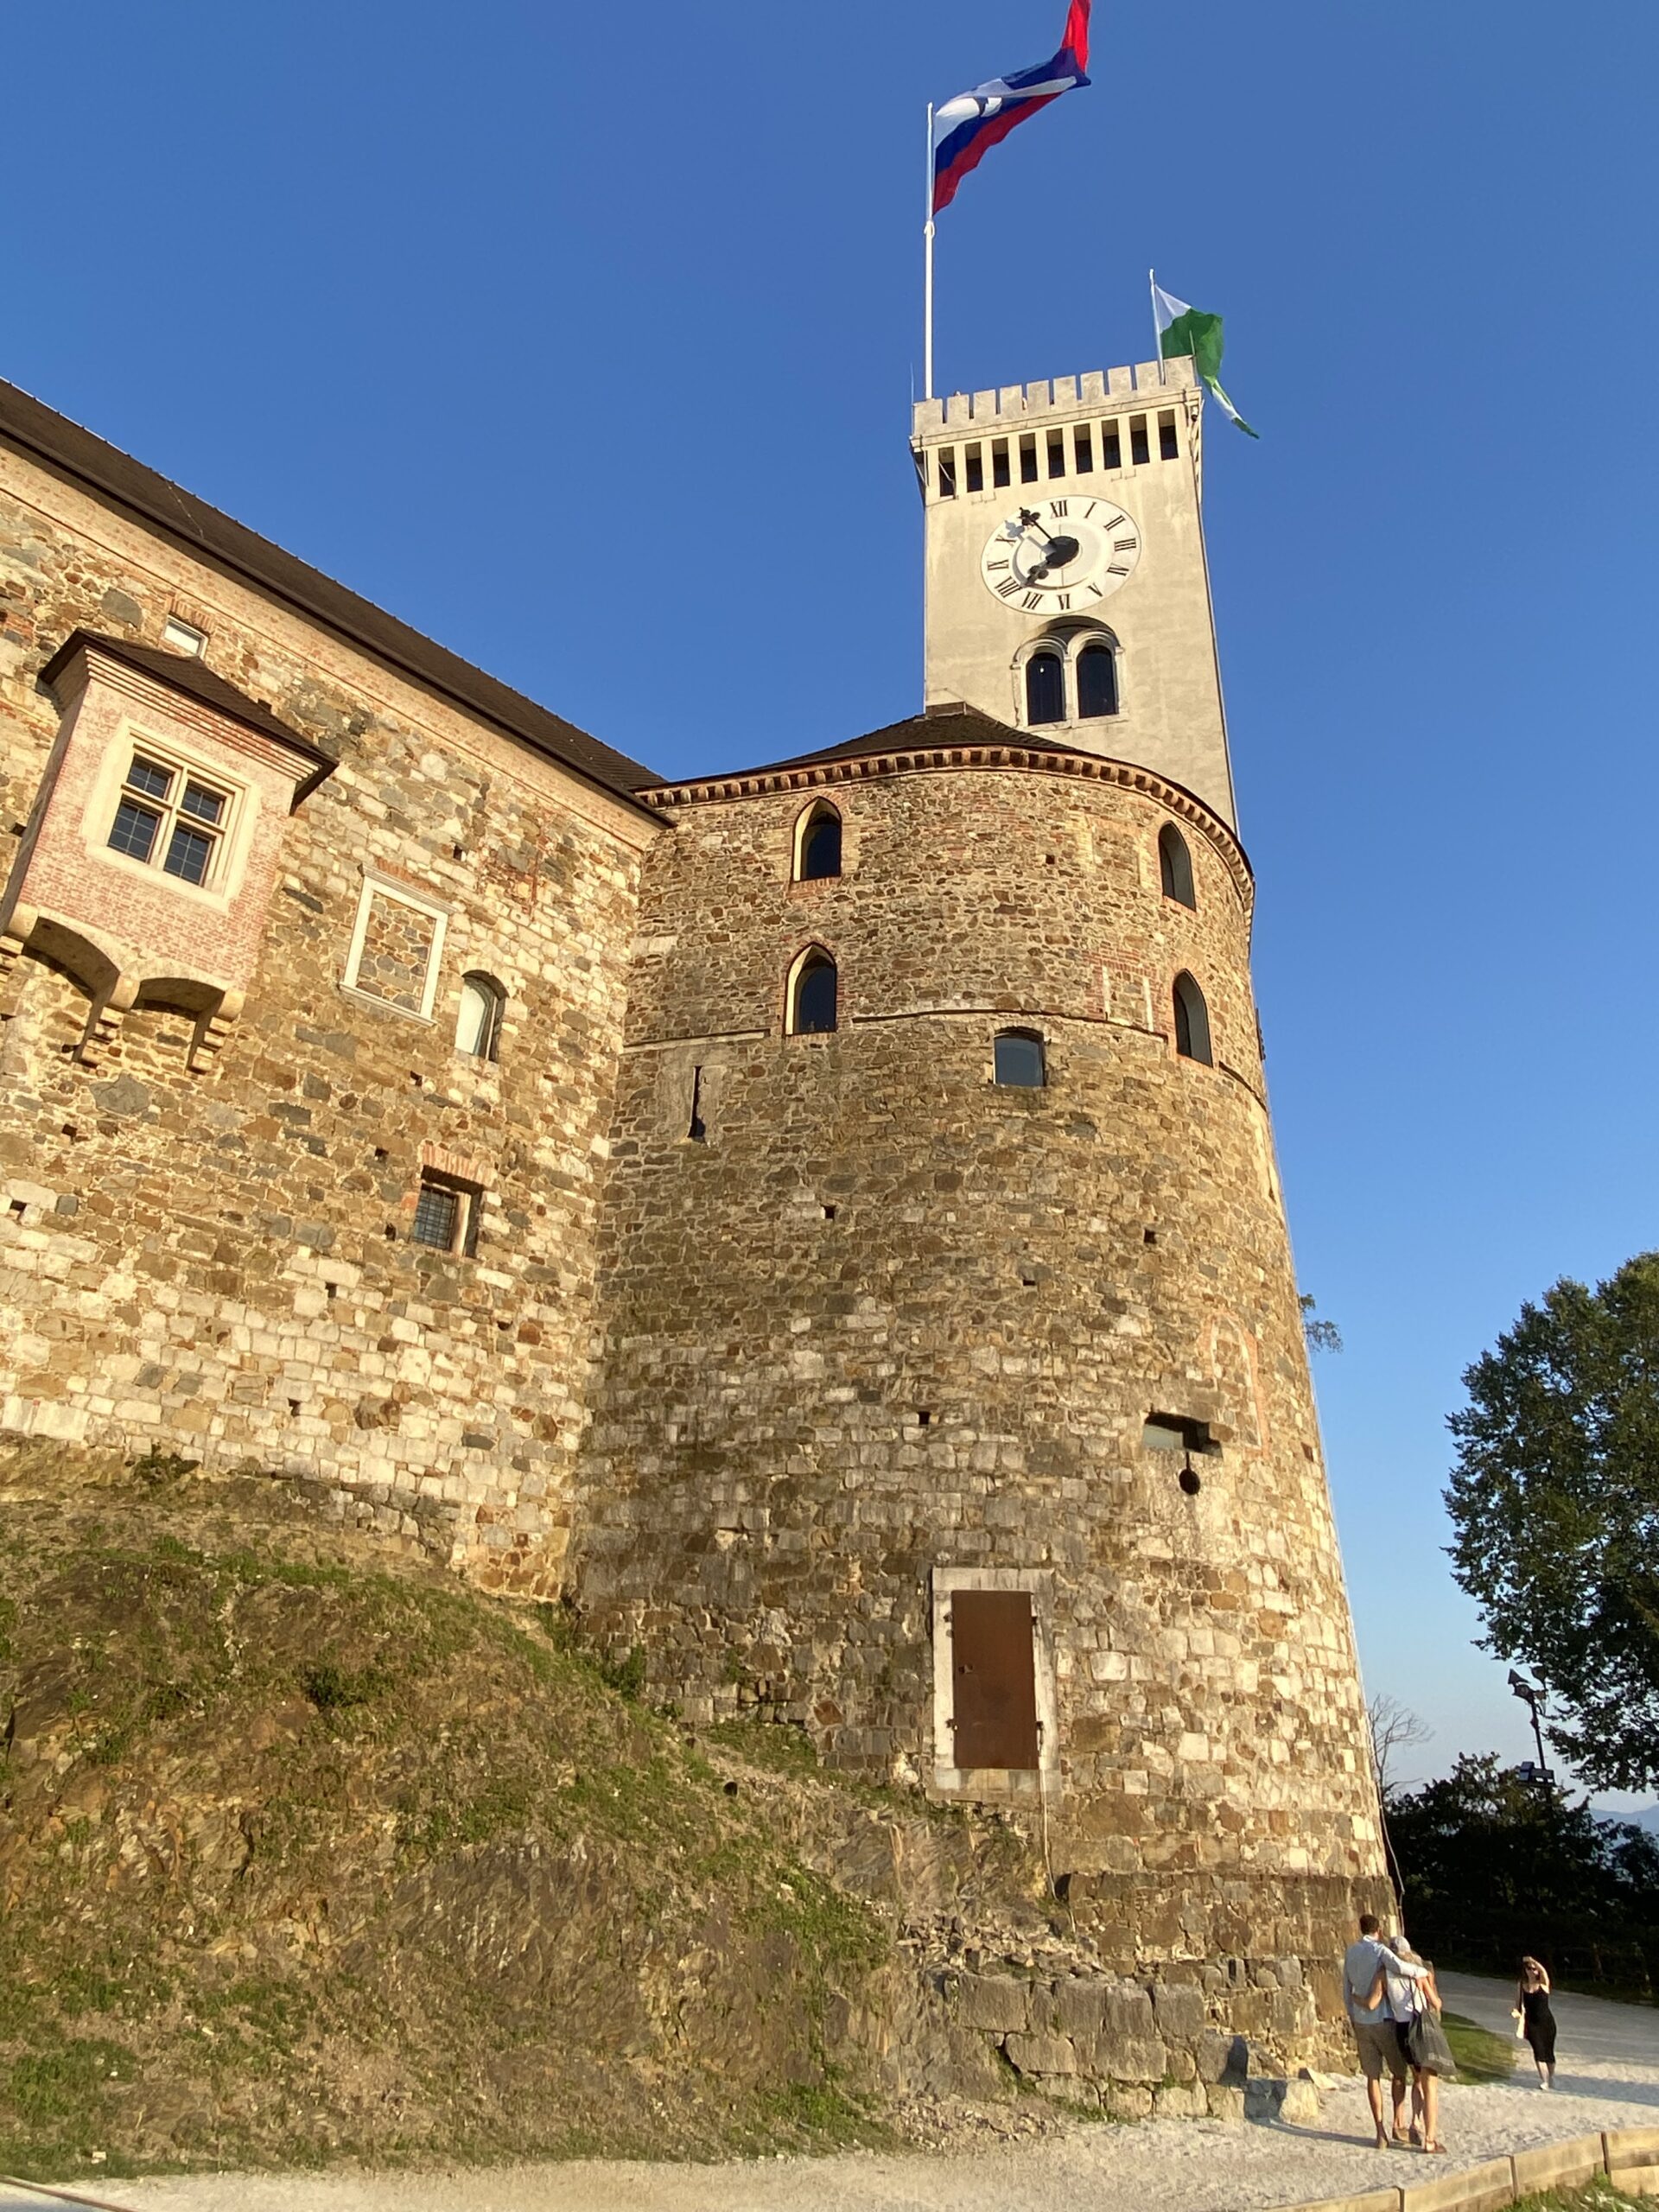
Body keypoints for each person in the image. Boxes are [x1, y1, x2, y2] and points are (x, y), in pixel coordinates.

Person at [1343, 1911, 1428, 2149]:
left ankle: (1380, 2131)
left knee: (1372, 2077)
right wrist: (1422, 1972)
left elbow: (1346, 1988)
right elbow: (1401, 1967)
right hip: (1383, 2020)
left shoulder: (1350, 1952)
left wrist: (1352, 2013)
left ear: (1361, 1929)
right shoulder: (1380, 1951)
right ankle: (1397, 2122)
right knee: (1399, 2073)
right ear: (1378, 1930)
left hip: (1361, 2021)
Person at [1382, 1935, 1450, 2154]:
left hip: (1402, 2029)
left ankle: (1413, 2122)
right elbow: (1435, 2002)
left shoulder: (1386, 1974)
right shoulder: (1416, 1974)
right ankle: (1428, 2137)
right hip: (1418, 2027)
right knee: (1429, 2084)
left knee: (1417, 2078)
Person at [1514, 1957, 1558, 2088]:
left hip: (1547, 2023)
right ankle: (1544, 2080)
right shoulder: (1521, 1985)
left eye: (1534, 1969)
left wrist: (1534, 1961)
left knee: (1549, 2054)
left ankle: (1551, 2077)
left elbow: (1544, 1972)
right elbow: (1518, 2004)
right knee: (1538, 2052)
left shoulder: (1544, 1984)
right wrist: (1516, 2013)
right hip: (1532, 2024)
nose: (1532, 1971)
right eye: (1529, 1968)